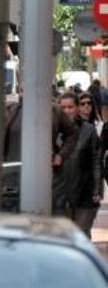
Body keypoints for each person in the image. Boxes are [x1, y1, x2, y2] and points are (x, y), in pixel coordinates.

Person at [58, 92, 102, 234]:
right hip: (61, 194)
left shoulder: (88, 130)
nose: (67, 111)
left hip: (85, 193)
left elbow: (96, 160)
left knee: (80, 234)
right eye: (63, 107)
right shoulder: (53, 131)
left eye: (70, 107)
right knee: (65, 237)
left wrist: (97, 188)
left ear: (77, 108)